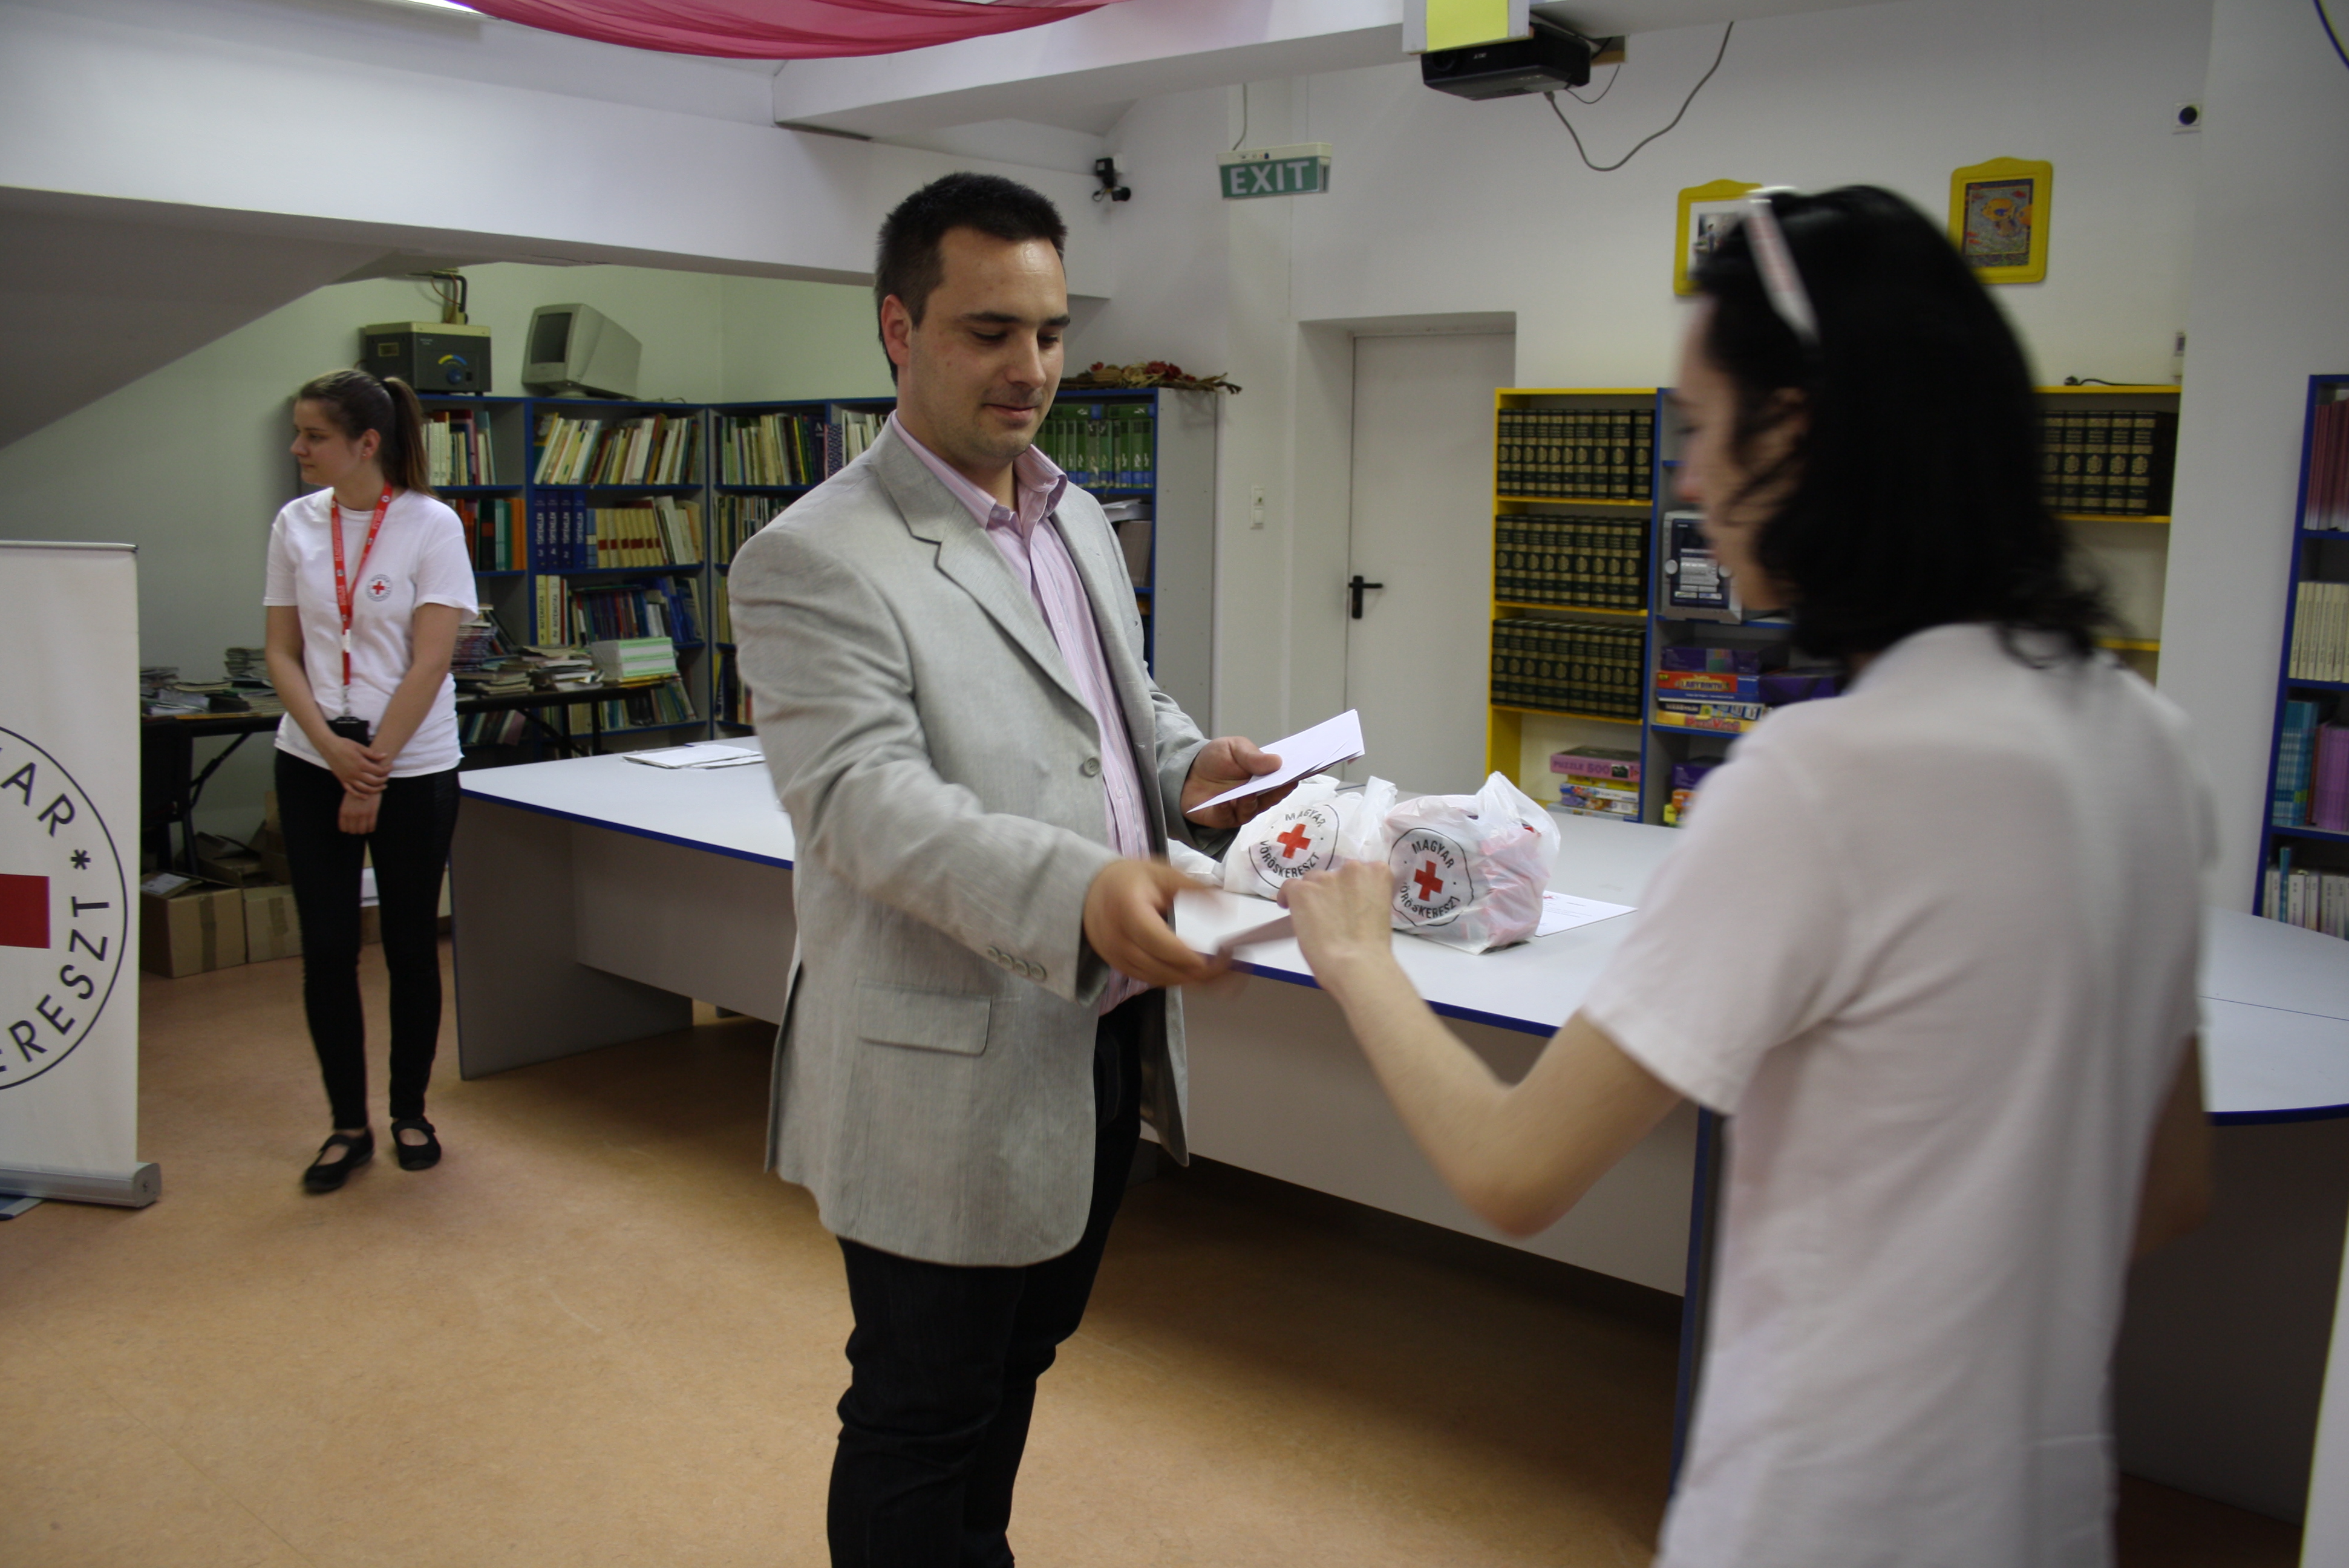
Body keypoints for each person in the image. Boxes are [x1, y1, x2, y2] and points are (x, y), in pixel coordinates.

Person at [1281, 186, 2213, 1567]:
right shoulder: (2149, 748)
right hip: (2043, 1512)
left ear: (1799, 434)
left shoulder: (1822, 782)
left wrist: (1358, 959)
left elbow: (1515, 1171)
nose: (1693, 481)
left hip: (1823, 1511)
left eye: (1707, 430)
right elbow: (2169, 1184)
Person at [727, 172, 1292, 1568]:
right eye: (989, 332)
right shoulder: (813, 557)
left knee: (1018, 1363)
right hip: (938, 1061)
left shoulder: (1074, 515)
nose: (1031, 367)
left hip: (1090, 1035)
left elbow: (1111, 705)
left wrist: (1189, 770)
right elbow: (859, 805)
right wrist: (1080, 892)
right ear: (898, 330)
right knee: (920, 1412)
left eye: (1049, 332)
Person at [263, 370, 474, 1194]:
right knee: (326, 950)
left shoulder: (431, 525)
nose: (298, 448)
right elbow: (282, 651)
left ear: (367, 443)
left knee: (412, 946)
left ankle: (410, 1111)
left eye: (313, 436)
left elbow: (431, 661)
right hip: (312, 758)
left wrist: (371, 769)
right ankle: (346, 1126)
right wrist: (329, 748)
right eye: (299, 432)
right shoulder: (295, 524)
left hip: (411, 765)